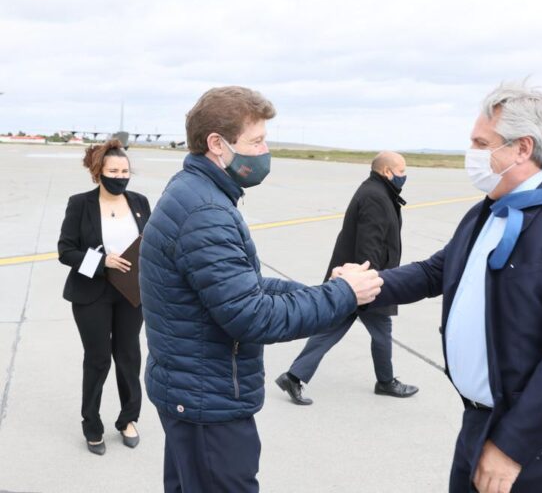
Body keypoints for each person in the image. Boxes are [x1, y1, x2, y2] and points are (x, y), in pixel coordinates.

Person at [344, 82, 542, 493]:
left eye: (481, 142)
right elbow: (433, 272)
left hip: (535, 440)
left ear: (522, 148)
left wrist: (511, 447)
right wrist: (361, 285)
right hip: (478, 421)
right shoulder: (490, 210)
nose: (472, 153)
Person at [139, 86, 383, 492]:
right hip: (208, 405)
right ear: (217, 144)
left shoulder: (196, 192)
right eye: (256, 141)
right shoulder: (206, 213)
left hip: (192, 392)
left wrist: (320, 291)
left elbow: (240, 287)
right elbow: (250, 316)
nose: (265, 150)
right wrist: (343, 295)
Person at [276, 151, 418, 405]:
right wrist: (370, 281)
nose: (405, 175)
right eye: (402, 170)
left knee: (333, 328)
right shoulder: (376, 197)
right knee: (381, 330)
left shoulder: (378, 191)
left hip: (355, 278)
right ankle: (385, 382)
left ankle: (294, 376)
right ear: (387, 172)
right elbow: (369, 243)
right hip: (365, 279)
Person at [58, 139, 151, 455]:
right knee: (97, 359)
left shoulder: (139, 202)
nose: (120, 176)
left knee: (129, 357)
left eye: (125, 171)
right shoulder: (80, 204)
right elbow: (65, 251)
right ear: (99, 172)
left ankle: (128, 419)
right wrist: (102, 261)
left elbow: (148, 244)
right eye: (114, 171)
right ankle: (91, 424)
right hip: (91, 293)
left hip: (130, 293)